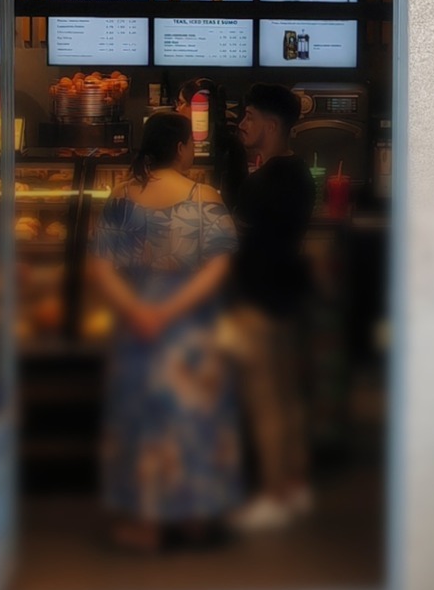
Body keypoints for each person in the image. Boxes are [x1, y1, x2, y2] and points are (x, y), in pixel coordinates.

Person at [85, 110, 241, 552]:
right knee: (192, 420)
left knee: (143, 422)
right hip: (189, 328)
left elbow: (99, 267)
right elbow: (218, 268)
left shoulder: (121, 195)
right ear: (180, 148)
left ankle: (147, 524)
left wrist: (140, 311)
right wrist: (171, 310)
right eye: (191, 143)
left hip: (138, 327)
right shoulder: (204, 194)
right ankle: (193, 517)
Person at [220, 83, 315, 533]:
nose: (243, 123)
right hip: (286, 298)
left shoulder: (262, 183)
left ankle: (274, 497)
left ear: (272, 126)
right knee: (287, 397)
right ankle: (295, 488)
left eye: (250, 116)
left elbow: (238, 240)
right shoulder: (299, 174)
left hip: (258, 299)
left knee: (265, 403)